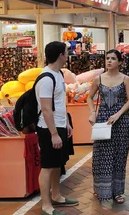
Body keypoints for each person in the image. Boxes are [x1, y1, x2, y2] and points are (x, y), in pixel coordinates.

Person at [35, 42, 78, 215]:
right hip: (48, 129)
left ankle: (57, 196)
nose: (68, 55)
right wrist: (53, 134)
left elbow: (59, 103)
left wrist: (66, 123)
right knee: (47, 166)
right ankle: (46, 206)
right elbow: (46, 109)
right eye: (67, 52)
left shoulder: (59, 74)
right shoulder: (46, 78)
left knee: (57, 164)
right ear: (60, 55)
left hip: (59, 125)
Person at [87, 50, 129, 206]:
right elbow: (89, 97)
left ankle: (118, 191)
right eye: (107, 58)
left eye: (113, 59)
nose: (109, 61)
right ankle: (100, 189)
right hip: (102, 120)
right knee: (101, 156)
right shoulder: (98, 79)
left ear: (119, 62)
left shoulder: (125, 79)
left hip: (121, 122)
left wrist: (118, 114)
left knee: (120, 156)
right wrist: (93, 113)